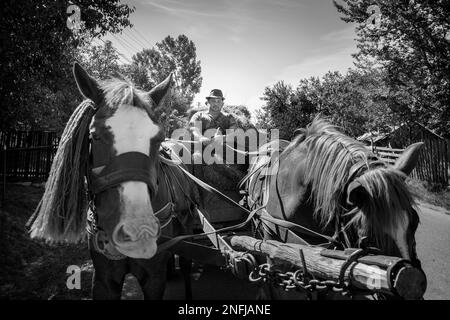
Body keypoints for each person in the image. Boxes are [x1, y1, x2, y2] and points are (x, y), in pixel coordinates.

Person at [188, 89, 239, 184]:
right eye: (213, 101)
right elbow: (193, 128)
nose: (216, 103)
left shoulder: (229, 117)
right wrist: (201, 138)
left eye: (218, 101)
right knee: (196, 157)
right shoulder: (198, 115)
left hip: (225, 151)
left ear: (222, 104)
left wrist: (222, 138)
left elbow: (234, 133)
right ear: (207, 102)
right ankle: (198, 188)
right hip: (202, 149)